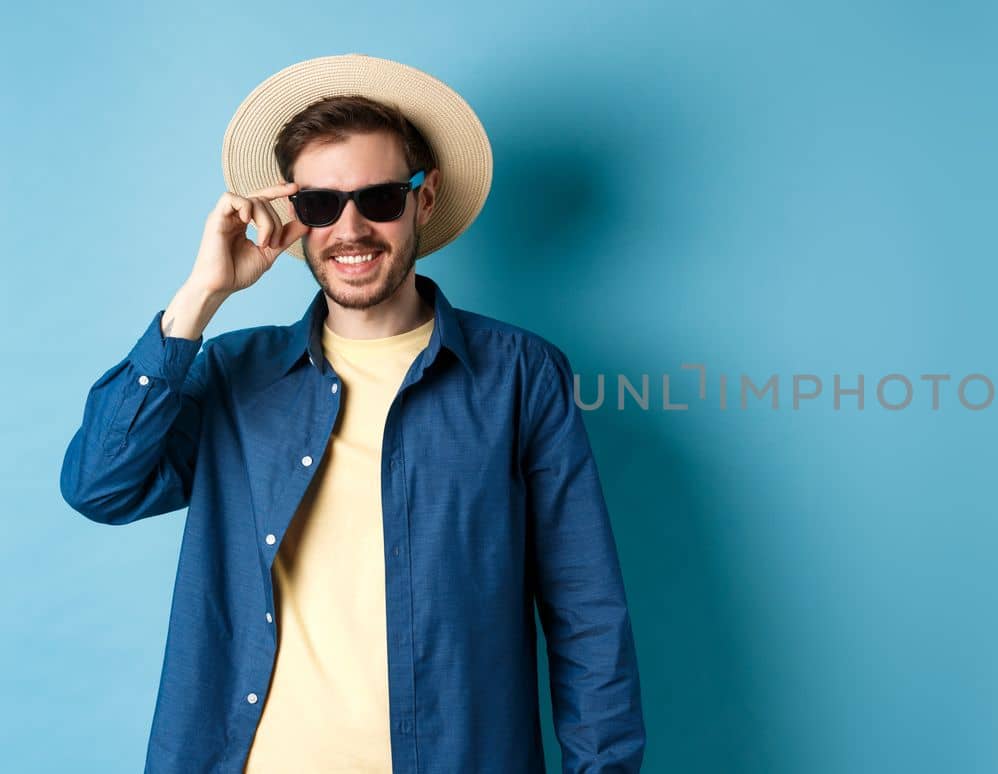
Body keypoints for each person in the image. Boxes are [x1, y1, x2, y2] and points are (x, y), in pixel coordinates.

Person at [58, 54, 645, 773]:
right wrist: (199, 299)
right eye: (320, 204)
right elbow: (100, 486)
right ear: (294, 218)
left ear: (422, 202)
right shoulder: (234, 375)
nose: (351, 228)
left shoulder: (520, 375)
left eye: (379, 199)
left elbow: (586, 613)